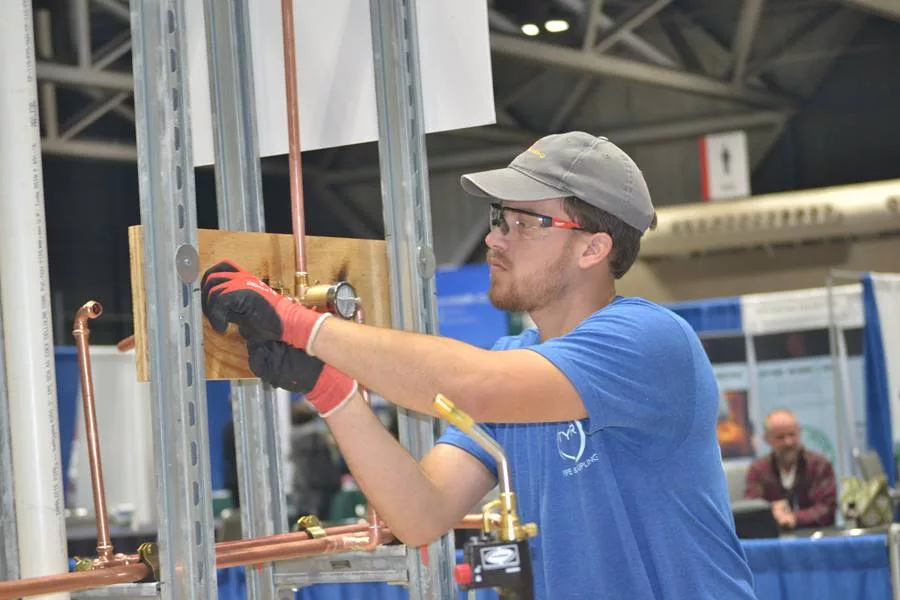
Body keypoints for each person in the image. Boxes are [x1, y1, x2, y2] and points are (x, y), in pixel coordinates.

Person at [199, 131, 756, 599]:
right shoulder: (516, 363)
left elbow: (476, 386)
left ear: (593, 249)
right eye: (498, 218)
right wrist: (333, 393)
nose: (493, 238)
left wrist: (303, 324)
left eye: (525, 222)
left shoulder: (649, 340)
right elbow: (420, 514)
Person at [744, 409, 837, 530]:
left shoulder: (820, 465)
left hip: (814, 538)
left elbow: (827, 508)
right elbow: (750, 508)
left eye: (792, 435)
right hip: (773, 541)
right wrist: (772, 510)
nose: (788, 442)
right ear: (767, 439)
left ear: (799, 433)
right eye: (780, 437)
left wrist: (795, 517)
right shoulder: (758, 469)